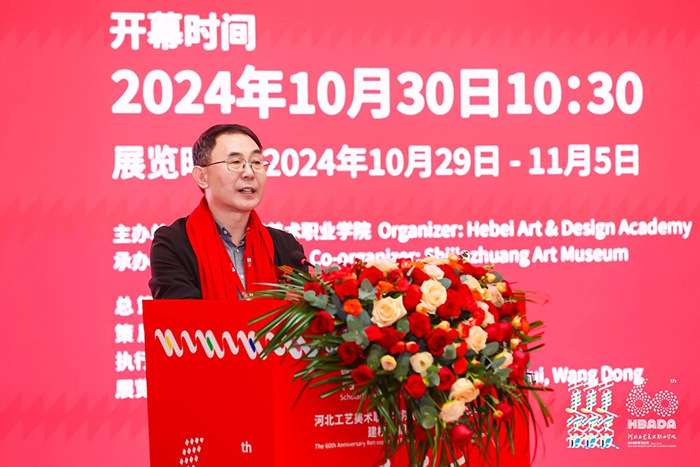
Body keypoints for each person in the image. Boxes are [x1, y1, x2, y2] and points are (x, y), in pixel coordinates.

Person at [149, 124, 306, 299]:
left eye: (256, 162)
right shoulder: (173, 244)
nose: (249, 173)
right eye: (235, 163)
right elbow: (182, 313)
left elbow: (303, 313)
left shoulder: (287, 248)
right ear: (202, 177)